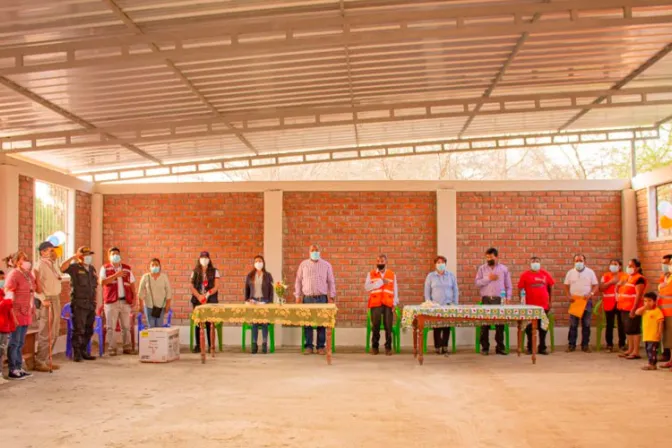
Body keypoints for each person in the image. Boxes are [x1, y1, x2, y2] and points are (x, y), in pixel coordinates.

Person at [294, 244, 336, 355]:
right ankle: (308, 346)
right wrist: (297, 296)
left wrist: (331, 296)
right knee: (307, 323)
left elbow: (331, 281)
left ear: (320, 251)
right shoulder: (303, 265)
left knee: (321, 323)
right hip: (307, 298)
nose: (315, 252)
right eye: (312, 250)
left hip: (321, 298)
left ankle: (320, 347)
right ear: (309, 251)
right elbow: (298, 280)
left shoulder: (326, 265)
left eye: (316, 250)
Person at [3, 251, 38, 379]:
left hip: (26, 311)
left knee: (21, 341)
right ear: (17, 262)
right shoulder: (13, 275)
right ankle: (13, 369)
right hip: (16, 311)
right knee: (14, 341)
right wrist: (12, 313)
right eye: (24, 259)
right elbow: (9, 292)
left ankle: (19, 366)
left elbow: (32, 290)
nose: (27, 261)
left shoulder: (28, 274)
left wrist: (32, 305)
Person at [61, 247, 98, 362]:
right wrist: (73, 257)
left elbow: (94, 286)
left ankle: (83, 351)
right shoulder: (75, 268)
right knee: (79, 329)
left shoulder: (91, 269)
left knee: (89, 329)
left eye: (90, 255)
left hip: (90, 303)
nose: (89, 257)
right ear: (80, 257)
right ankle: (76, 352)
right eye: (86, 255)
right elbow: (62, 268)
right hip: (79, 303)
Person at [99, 247, 136, 356]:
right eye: (113, 254)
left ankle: (127, 347)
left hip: (125, 301)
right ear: (109, 256)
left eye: (117, 254)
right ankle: (112, 348)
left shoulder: (127, 268)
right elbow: (102, 282)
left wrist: (134, 298)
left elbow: (132, 283)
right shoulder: (105, 268)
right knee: (111, 327)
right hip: (111, 302)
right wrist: (116, 275)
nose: (115, 255)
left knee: (126, 327)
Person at [33, 241, 63, 372]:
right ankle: (39, 361)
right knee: (46, 332)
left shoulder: (52, 264)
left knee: (54, 332)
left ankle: (47, 359)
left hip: (55, 298)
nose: (53, 253)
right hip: (47, 300)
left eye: (53, 250)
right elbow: (34, 286)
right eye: (50, 250)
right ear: (43, 252)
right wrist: (42, 299)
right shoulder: (39, 265)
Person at [475, 248, 511, 355]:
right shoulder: (482, 269)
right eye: (487, 257)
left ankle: (500, 347)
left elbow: (509, 286)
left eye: (491, 257)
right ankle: (485, 348)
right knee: (484, 323)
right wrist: (488, 279)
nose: (489, 259)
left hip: (499, 300)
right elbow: (477, 283)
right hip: (486, 299)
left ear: (496, 256)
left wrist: (508, 298)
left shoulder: (504, 269)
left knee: (500, 324)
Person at [517, 256, 555, 355]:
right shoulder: (525, 275)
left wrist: (550, 301)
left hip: (543, 306)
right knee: (529, 327)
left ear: (540, 263)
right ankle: (530, 347)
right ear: (530, 263)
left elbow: (550, 287)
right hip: (529, 306)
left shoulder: (545, 274)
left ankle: (542, 347)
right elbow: (520, 289)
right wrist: (521, 302)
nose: (535, 263)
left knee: (543, 327)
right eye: (533, 261)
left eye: (537, 261)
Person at [423, 255, 458, 356]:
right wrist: (428, 303)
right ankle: (437, 346)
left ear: (445, 264)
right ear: (435, 264)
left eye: (442, 262)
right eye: (438, 262)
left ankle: (445, 346)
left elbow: (455, 290)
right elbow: (427, 291)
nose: (440, 264)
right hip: (435, 305)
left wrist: (455, 303)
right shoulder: (430, 276)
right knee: (437, 326)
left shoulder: (451, 275)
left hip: (448, 304)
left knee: (446, 326)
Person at [564, 254, 598, 353]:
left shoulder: (590, 272)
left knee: (586, 324)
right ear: (574, 262)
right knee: (573, 324)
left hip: (586, 301)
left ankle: (585, 345)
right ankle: (571, 345)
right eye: (577, 260)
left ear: (584, 261)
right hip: (574, 301)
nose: (579, 262)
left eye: (581, 260)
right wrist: (568, 296)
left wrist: (591, 294)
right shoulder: (570, 272)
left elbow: (596, 285)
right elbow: (566, 285)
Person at [366, 254, 399, 356]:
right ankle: (375, 347)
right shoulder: (371, 274)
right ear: (376, 262)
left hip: (388, 303)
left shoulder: (392, 274)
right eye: (378, 261)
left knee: (388, 326)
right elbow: (367, 287)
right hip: (375, 303)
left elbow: (395, 290)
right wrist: (380, 282)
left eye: (382, 261)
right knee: (375, 325)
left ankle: (388, 347)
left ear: (386, 262)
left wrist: (394, 303)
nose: (380, 263)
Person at [617, 258, 647, 360]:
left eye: (631, 266)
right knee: (628, 329)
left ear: (637, 268)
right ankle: (630, 349)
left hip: (633, 307)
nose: (629, 268)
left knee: (634, 329)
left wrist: (634, 309)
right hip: (624, 307)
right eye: (628, 265)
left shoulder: (639, 279)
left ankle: (636, 351)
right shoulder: (627, 277)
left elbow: (638, 295)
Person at [190, 251, 220, 353]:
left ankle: (211, 345)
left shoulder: (215, 271)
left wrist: (207, 295)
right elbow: (191, 287)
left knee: (209, 322)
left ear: (209, 259)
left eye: (206, 257)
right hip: (198, 300)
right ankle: (198, 345)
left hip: (210, 299)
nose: (204, 259)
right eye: (202, 257)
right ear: (199, 259)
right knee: (199, 322)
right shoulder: (195, 271)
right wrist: (199, 296)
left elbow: (216, 287)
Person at [244, 255, 274, 354]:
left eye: (260, 261)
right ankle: (254, 344)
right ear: (254, 263)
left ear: (263, 263)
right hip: (254, 302)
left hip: (264, 301)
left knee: (264, 322)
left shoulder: (268, 275)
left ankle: (264, 343)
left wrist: (269, 302)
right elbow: (246, 290)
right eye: (256, 261)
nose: (258, 263)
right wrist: (247, 300)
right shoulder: (250, 275)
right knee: (255, 322)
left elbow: (271, 291)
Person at [599, 259, 628, 353]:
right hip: (609, 303)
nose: (613, 266)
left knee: (621, 324)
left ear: (620, 266)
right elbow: (601, 288)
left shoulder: (625, 275)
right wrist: (611, 282)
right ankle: (609, 345)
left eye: (615, 264)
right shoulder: (605, 276)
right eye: (611, 264)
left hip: (620, 302)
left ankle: (622, 344)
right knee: (609, 324)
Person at [138, 258, 172, 328]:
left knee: (159, 327)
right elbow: (140, 292)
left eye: (156, 265)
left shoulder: (164, 277)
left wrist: (168, 305)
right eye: (152, 265)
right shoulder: (145, 277)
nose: (154, 266)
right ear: (149, 267)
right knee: (151, 327)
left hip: (161, 307)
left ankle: (159, 339)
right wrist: (140, 305)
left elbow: (168, 291)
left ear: (160, 266)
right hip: (149, 306)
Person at [636, 292, 664, 371]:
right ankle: (650, 363)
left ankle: (653, 364)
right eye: (645, 301)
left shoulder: (657, 311)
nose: (647, 303)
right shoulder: (645, 311)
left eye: (649, 301)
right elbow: (637, 312)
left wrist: (659, 333)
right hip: (646, 336)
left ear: (654, 301)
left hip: (653, 336)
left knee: (652, 351)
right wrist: (644, 307)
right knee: (648, 350)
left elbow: (660, 323)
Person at [0, 270, 16, 384]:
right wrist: (7, 300)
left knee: (1, 351)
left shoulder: (3, 292)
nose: (3, 281)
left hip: (5, 326)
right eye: (1, 278)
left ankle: (0, 374)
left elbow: (9, 309)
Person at [657, 254, 672, 368]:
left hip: (670, 312)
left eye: (668, 264)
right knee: (667, 336)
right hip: (663, 311)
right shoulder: (665, 277)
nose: (665, 266)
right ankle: (669, 358)